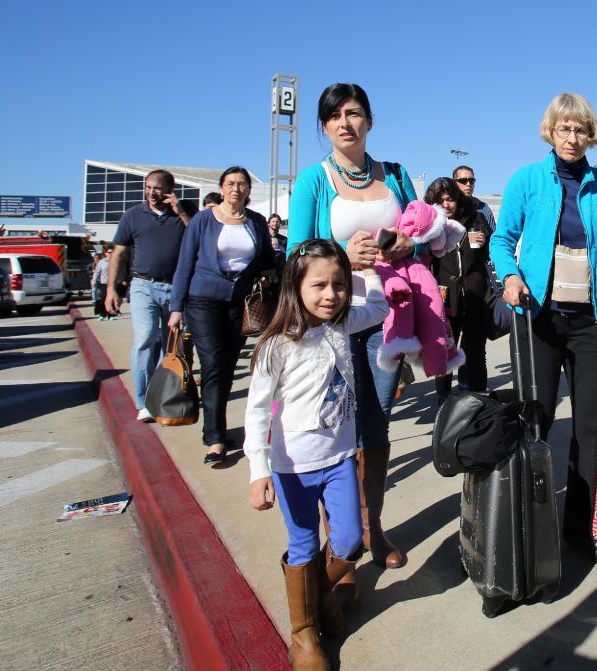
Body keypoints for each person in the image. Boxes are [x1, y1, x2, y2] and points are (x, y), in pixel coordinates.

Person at [288, 83, 418, 592]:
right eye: (335, 116)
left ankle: (374, 530)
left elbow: (420, 233)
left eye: (355, 114)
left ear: (370, 121)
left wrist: (409, 243)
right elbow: (295, 255)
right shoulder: (313, 181)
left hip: (388, 320)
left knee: (377, 431)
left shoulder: (396, 176)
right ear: (324, 126)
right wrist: (342, 253)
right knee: (336, 434)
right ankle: (341, 548)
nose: (346, 123)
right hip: (333, 324)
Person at [489, 92, 597, 562]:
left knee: (592, 426)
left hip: (592, 321)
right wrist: (510, 276)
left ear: (591, 135)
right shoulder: (527, 180)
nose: (572, 137)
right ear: (551, 131)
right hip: (538, 319)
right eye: (564, 129)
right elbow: (502, 238)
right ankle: (528, 522)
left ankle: (584, 527)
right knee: (537, 419)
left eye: (581, 130)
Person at [244, 239, 388, 670]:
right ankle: (303, 633)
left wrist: (373, 270)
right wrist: (258, 469)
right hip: (292, 468)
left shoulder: (343, 325)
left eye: (340, 285)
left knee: (347, 541)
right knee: (304, 544)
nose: (332, 295)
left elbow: (379, 309)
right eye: (320, 285)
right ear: (296, 287)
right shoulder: (277, 345)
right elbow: (255, 411)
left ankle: (317, 593)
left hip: (340, 458)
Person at [167, 166, 273, 463]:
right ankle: (214, 439)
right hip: (203, 300)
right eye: (230, 183)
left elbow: (265, 258)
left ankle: (219, 425)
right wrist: (176, 307)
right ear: (222, 188)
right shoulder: (202, 220)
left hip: (239, 303)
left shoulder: (256, 222)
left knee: (226, 368)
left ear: (249, 190)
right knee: (212, 364)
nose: (236, 189)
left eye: (241, 184)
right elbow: (185, 263)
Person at [106, 169, 193, 421]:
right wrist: (112, 288)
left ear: (170, 189)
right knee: (145, 338)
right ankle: (143, 400)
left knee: (171, 345)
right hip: (143, 285)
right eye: (148, 187)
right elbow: (119, 253)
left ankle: (159, 397)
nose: (151, 193)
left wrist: (181, 212)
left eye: (157, 188)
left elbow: (199, 236)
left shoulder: (184, 213)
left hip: (175, 288)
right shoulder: (133, 216)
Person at [425, 177, 491, 402]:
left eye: (450, 199)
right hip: (444, 298)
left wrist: (485, 241)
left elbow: (492, 252)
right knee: (445, 352)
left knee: (475, 354)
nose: (446, 205)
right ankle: (444, 403)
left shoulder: (476, 219)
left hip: (474, 295)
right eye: (440, 200)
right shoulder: (431, 226)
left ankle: (478, 401)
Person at [453, 165, 496, 232]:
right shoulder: (447, 206)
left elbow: (494, 236)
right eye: (463, 181)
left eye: (471, 181)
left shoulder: (483, 207)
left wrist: (484, 239)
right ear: (454, 183)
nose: (468, 184)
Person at [92, 246, 114, 320]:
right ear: (106, 253)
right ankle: (102, 314)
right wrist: (94, 281)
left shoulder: (116, 261)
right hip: (104, 283)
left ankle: (111, 315)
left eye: (112, 252)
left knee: (112, 299)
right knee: (103, 299)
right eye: (109, 252)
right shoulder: (102, 262)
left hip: (113, 283)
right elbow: (97, 272)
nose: (111, 254)